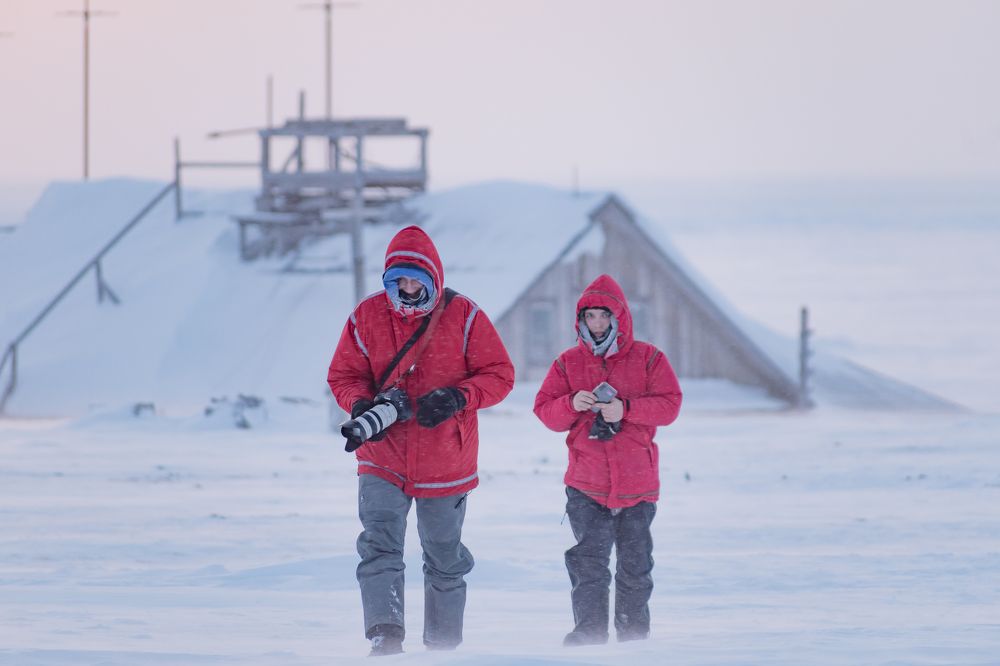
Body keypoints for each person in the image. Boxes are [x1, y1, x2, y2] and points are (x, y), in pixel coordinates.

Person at [327, 225, 515, 656]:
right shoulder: (365, 317)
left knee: (445, 557)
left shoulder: (465, 316)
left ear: (434, 277)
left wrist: (457, 397)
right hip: (382, 454)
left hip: (446, 456)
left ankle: (443, 648)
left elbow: (501, 376)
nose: (408, 288)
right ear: (388, 279)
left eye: (417, 280)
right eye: (399, 280)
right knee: (378, 546)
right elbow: (343, 376)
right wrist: (359, 405)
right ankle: (384, 637)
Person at [533, 274, 682, 646]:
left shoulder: (649, 358)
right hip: (586, 484)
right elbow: (545, 412)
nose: (597, 324)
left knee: (635, 568)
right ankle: (589, 635)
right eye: (590, 317)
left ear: (619, 318)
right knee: (589, 565)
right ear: (580, 321)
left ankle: (634, 640)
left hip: (637, 484)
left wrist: (625, 409)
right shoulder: (567, 363)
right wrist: (571, 404)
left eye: (603, 316)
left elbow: (670, 406)